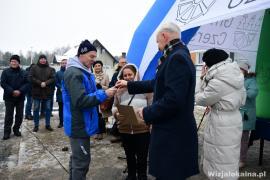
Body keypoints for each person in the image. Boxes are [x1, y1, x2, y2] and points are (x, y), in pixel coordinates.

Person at [116, 22, 199, 180]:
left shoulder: (177, 58)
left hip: (173, 134)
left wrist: (147, 112)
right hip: (172, 131)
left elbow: (174, 99)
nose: (158, 46)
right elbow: (156, 83)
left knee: (170, 173)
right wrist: (129, 84)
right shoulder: (176, 55)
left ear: (164, 36)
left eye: (157, 42)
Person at [62, 39, 116, 180]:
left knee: (77, 159)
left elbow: (89, 91)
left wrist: (103, 90)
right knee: (81, 162)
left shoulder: (83, 71)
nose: (93, 60)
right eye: (91, 57)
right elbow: (80, 100)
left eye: (94, 57)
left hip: (82, 123)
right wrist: (104, 94)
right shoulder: (75, 73)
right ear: (81, 54)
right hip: (78, 124)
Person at [195, 48, 246, 180]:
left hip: (220, 120)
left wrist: (202, 78)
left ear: (210, 64)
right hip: (234, 118)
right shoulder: (236, 75)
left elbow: (201, 99)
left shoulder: (217, 81)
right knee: (229, 154)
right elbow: (243, 99)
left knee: (219, 156)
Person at [112, 64, 152, 180]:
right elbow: (114, 107)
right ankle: (131, 176)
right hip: (125, 129)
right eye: (125, 75)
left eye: (130, 74)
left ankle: (142, 176)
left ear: (136, 75)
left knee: (142, 157)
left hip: (142, 130)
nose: (128, 77)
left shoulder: (146, 89)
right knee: (129, 156)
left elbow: (152, 107)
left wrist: (145, 117)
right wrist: (116, 113)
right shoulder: (119, 91)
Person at [1, 55, 29, 140]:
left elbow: (27, 83)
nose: (13, 63)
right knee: (9, 115)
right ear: (10, 62)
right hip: (9, 97)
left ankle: (16, 129)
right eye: (12, 61)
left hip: (20, 97)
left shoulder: (24, 72)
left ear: (18, 63)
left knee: (19, 115)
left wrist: (20, 91)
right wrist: (12, 91)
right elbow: (3, 83)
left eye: (15, 61)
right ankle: (7, 132)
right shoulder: (5, 72)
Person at [238, 61, 258, 168]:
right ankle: (234, 157)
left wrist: (240, 90)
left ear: (244, 70)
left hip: (246, 115)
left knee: (243, 139)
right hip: (236, 114)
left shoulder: (251, 81)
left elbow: (252, 94)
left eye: (240, 69)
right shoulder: (237, 79)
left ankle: (242, 160)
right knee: (235, 138)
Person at [29, 54, 55, 132]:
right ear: (39, 60)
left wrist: (45, 83)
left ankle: (47, 124)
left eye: (44, 59)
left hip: (47, 92)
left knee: (48, 109)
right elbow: (30, 77)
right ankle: (36, 125)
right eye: (41, 59)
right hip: (37, 92)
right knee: (36, 109)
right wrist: (40, 83)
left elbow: (53, 78)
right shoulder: (34, 68)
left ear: (46, 60)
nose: (43, 60)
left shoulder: (50, 69)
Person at [92, 60, 110, 140]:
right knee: (95, 114)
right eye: (96, 66)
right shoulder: (91, 76)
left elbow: (108, 87)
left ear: (101, 66)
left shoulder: (106, 75)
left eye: (99, 65)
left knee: (101, 115)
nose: (97, 67)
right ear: (94, 67)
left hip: (102, 97)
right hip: (93, 97)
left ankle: (101, 132)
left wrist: (100, 86)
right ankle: (96, 131)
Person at [55, 58, 67, 128]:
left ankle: (67, 122)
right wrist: (60, 87)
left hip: (69, 94)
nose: (64, 64)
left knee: (68, 109)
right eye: (63, 63)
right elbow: (56, 82)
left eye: (65, 63)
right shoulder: (58, 73)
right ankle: (61, 122)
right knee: (61, 108)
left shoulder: (70, 72)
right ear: (60, 64)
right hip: (60, 93)